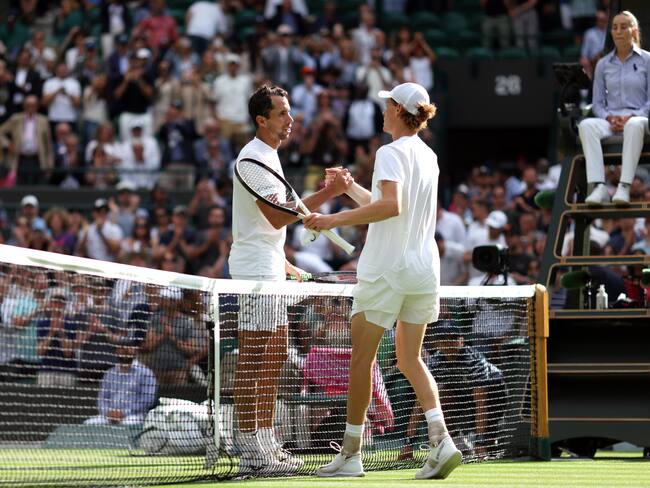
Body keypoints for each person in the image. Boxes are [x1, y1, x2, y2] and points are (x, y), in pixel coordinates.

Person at [304, 82, 462, 479]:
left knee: (362, 359)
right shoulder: (428, 155)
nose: (382, 110)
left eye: (386, 104)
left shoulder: (389, 152)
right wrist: (347, 189)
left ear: (397, 110)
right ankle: (442, 439)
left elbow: (391, 207)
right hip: (423, 270)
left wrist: (330, 219)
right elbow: (391, 206)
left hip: (386, 269)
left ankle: (351, 454)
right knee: (410, 359)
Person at [228, 84, 351, 473]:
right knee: (256, 356)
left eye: (290, 112)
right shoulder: (252, 158)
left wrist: (287, 264)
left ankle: (263, 442)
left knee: (274, 354)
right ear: (261, 119)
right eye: (281, 113)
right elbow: (278, 216)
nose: (290, 119)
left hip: (267, 262)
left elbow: (267, 227)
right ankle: (252, 448)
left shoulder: (270, 158)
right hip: (253, 267)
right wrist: (329, 192)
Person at [579, 11, 650, 206]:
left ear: (634, 31)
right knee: (586, 125)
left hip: (640, 120)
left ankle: (624, 187)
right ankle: (598, 186)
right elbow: (598, 103)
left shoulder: (647, 59)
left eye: (623, 26)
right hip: (611, 121)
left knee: (634, 125)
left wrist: (632, 116)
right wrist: (609, 118)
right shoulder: (602, 64)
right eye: (615, 27)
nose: (618, 31)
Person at [84, 339, 157, 426]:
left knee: (126, 423)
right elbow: (102, 399)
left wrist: (124, 412)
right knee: (89, 423)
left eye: (129, 347)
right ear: (116, 350)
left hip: (135, 416)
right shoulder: (110, 373)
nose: (125, 350)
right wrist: (108, 412)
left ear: (135, 350)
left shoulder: (146, 373)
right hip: (109, 416)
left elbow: (148, 399)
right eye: (121, 347)